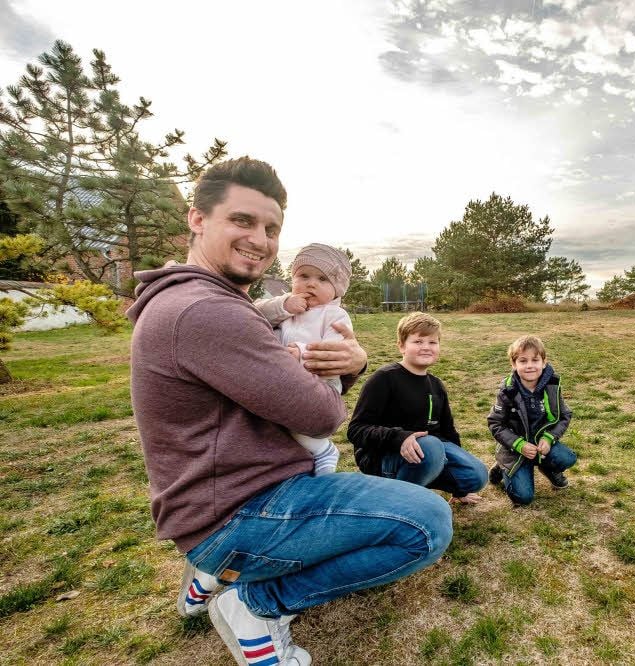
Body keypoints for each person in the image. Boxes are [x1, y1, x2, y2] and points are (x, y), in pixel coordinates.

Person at [127, 157, 452, 666]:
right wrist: (351, 365)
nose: (260, 238)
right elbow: (321, 416)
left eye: (271, 227)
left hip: (222, 499)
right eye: (242, 220)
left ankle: (215, 575)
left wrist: (343, 366)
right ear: (197, 218)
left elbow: (292, 391)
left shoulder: (203, 301)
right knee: (427, 522)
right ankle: (255, 604)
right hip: (236, 512)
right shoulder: (206, 311)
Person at [347, 312, 488, 504]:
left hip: (427, 454)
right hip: (382, 456)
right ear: (401, 346)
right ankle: (399, 502)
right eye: (418, 341)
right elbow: (356, 430)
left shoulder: (436, 385)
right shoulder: (384, 378)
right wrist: (399, 438)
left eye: (432, 342)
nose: (426, 348)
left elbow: (448, 431)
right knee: (431, 446)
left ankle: (420, 479)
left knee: (477, 475)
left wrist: (459, 487)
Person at [256, 243, 353, 474]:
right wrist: (284, 305)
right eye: (303, 276)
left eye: (322, 279)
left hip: (320, 381)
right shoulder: (288, 308)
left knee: (296, 420)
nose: (310, 283)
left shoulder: (335, 315)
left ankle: (323, 450)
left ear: (337, 289)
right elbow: (252, 314)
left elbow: (334, 350)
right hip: (285, 379)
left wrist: (301, 352)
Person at [487, 334, 577, 506]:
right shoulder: (507, 391)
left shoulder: (552, 385)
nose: (529, 366)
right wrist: (518, 444)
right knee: (523, 497)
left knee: (567, 458)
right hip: (514, 448)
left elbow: (565, 416)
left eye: (535, 360)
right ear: (514, 364)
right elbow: (495, 423)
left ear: (543, 362)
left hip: (542, 444)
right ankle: (502, 466)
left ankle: (548, 468)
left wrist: (549, 438)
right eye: (523, 361)